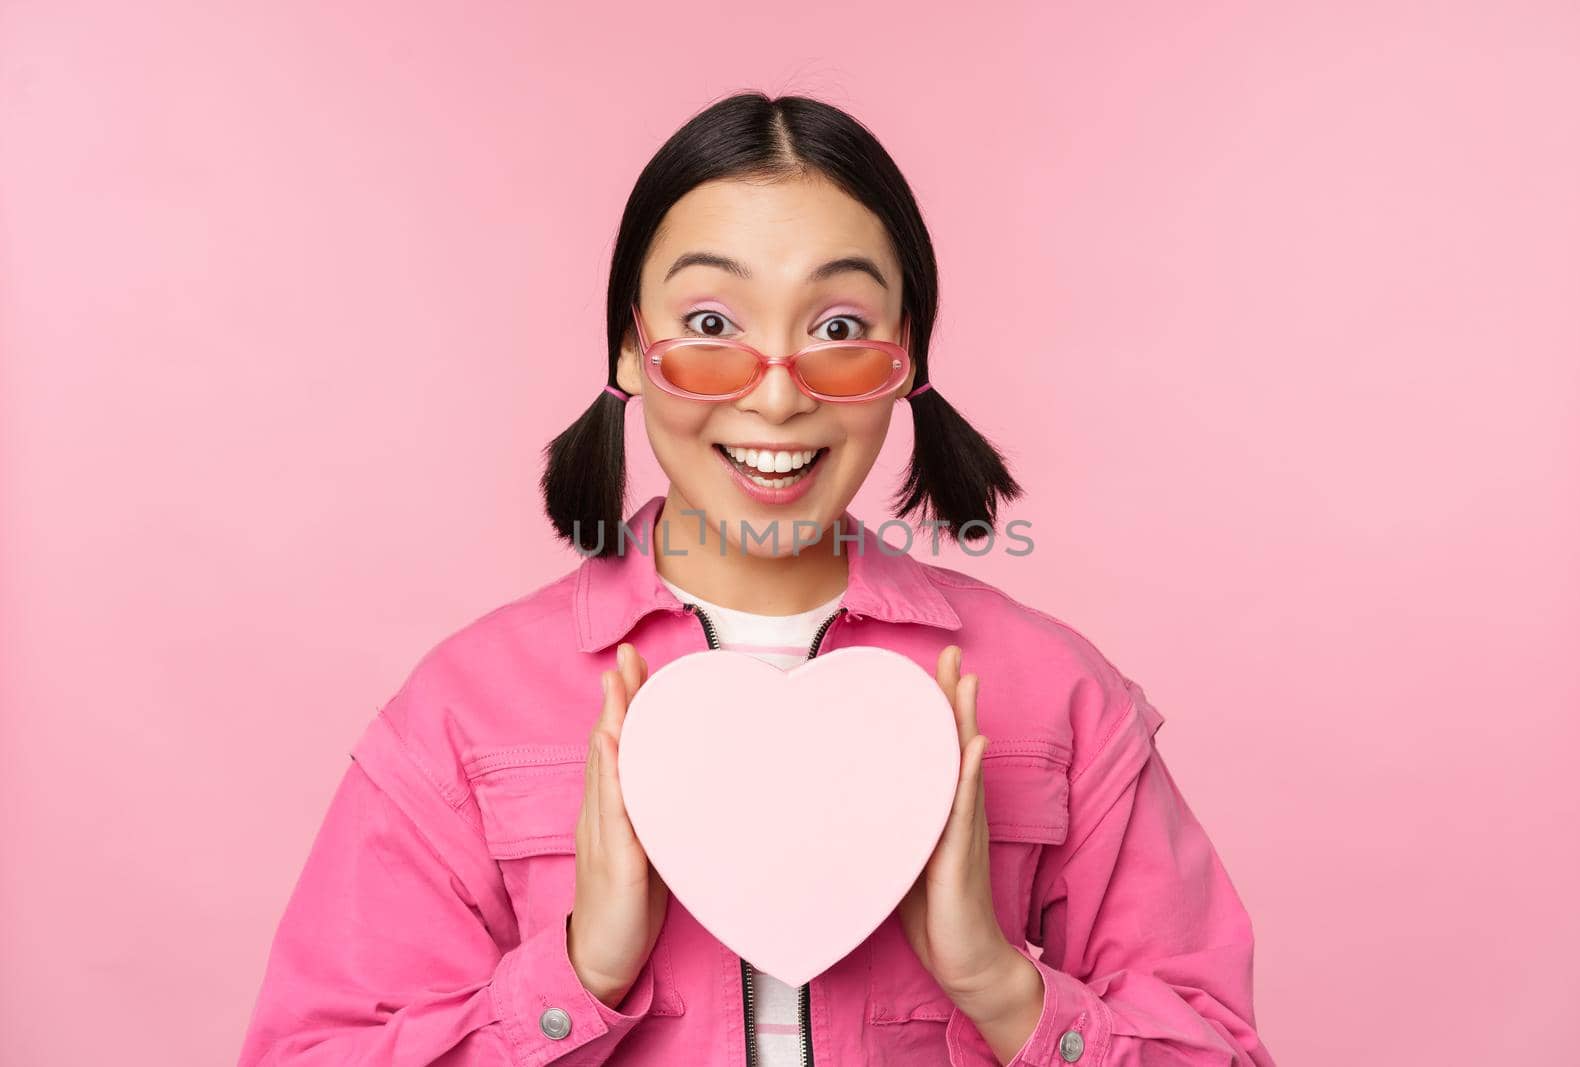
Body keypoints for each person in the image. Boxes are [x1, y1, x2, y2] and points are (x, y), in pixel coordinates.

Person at [237, 91, 1276, 1067]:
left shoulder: (1055, 694)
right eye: (709, 325)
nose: (776, 397)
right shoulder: (462, 711)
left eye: (835, 329)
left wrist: (1000, 986)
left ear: (906, 357)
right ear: (629, 352)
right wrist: (578, 971)